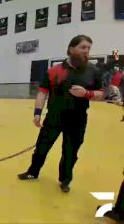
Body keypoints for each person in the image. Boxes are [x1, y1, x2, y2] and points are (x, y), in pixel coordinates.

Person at [17, 35, 105, 193]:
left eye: (88, 48)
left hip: (77, 120)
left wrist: (87, 94)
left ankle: (65, 180)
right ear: (72, 49)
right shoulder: (54, 71)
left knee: (70, 152)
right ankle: (32, 172)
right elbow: (42, 92)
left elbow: (102, 94)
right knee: (41, 147)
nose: (87, 51)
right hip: (54, 117)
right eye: (83, 47)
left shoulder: (94, 71)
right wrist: (37, 112)